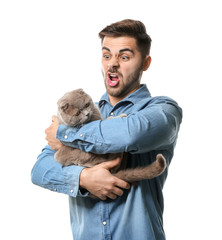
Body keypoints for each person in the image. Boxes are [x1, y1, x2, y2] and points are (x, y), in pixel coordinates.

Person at [31, 19, 182, 240]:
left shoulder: (163, 110)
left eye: (124, 57)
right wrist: (82, 178)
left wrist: (63, 134)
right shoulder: (83, 111)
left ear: (145, 63)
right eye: (106, 55)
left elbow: (131, 133)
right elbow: (40, 169)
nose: (112, 64)